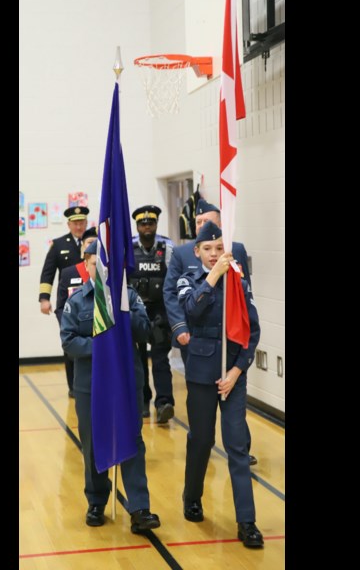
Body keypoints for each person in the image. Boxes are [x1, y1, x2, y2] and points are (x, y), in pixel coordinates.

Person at [60, 241, 162, 533]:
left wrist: (125, 311)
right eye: (96, 264)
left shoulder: (128, 296)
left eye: (107, 265)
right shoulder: (77, 300)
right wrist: (100, 347)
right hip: (90, 385)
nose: (101, 270)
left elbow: (146, 334)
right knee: (93, 444)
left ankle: (140, 508)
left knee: (131, 441)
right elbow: (68, 341)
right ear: (87, 264)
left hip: (126, 380)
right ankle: (96, 501)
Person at [177, 220, 263, 548]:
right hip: (201, 372)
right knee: (201, 440)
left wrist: (237, 372)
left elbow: (251, 332)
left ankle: (247, 521)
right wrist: (213, 277)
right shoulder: (190, 279)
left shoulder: (238, 281)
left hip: (233, 376)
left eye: (219, 248)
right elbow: (192, 311)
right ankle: (192, 497)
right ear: (197, 251)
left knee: (237, 445)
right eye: (208, 249)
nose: (214, 254)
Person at [163, 197, 258, 465]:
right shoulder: (183, 253)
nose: (202, 225)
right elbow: (171, 293)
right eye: (199, 222)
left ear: (221, 224)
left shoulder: (235, 250)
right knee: (202, 419)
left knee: (234, 407)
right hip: (196, 337)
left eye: (208, 221)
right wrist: (180, 327)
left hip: (229, 340)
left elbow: (244, 292)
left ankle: (240, 447)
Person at [127, 205, 175, 423]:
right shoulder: (128, 247)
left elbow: (173, 280)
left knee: (160, 358)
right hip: (136, 310)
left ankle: (164, 402)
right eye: (143, 224)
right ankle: (142, 400)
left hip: (159, 311)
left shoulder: (168, 247)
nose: (147, 227)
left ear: (156, 224)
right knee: (138, 359)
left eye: (151, 223)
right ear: (137, 226)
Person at [39, 206, 90, 396]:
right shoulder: (59, 245)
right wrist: (44, 299)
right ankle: (74, 387)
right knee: (70, 344)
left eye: (81, 222)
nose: (79, 226)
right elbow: (48, 272)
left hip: (91, 302)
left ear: (86, 222)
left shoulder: (94, 242)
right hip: (68, 305)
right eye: (75, 223)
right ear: (69, 224)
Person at [55, 227, 98, 397]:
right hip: (77, 330)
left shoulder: (108, 273)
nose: (92, 245)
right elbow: (60, 306)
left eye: (96, 243)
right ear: (82, 247)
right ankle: (74, 389)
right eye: (89, 243)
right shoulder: (69, 272)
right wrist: (67, 324)